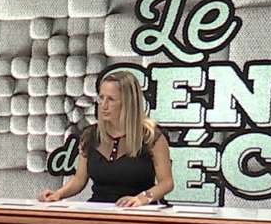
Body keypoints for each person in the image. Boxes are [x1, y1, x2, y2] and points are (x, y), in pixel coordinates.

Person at [38, 70, 174, 207]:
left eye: (111, 99)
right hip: (98, 210)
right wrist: (58, 194)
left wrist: (142, 198)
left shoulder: (151, 136)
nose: (104, 105)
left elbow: (166, 183)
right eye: (101, 98)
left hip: (137, 211)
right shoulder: (90, 135)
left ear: (128, 102)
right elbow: (79, 179)